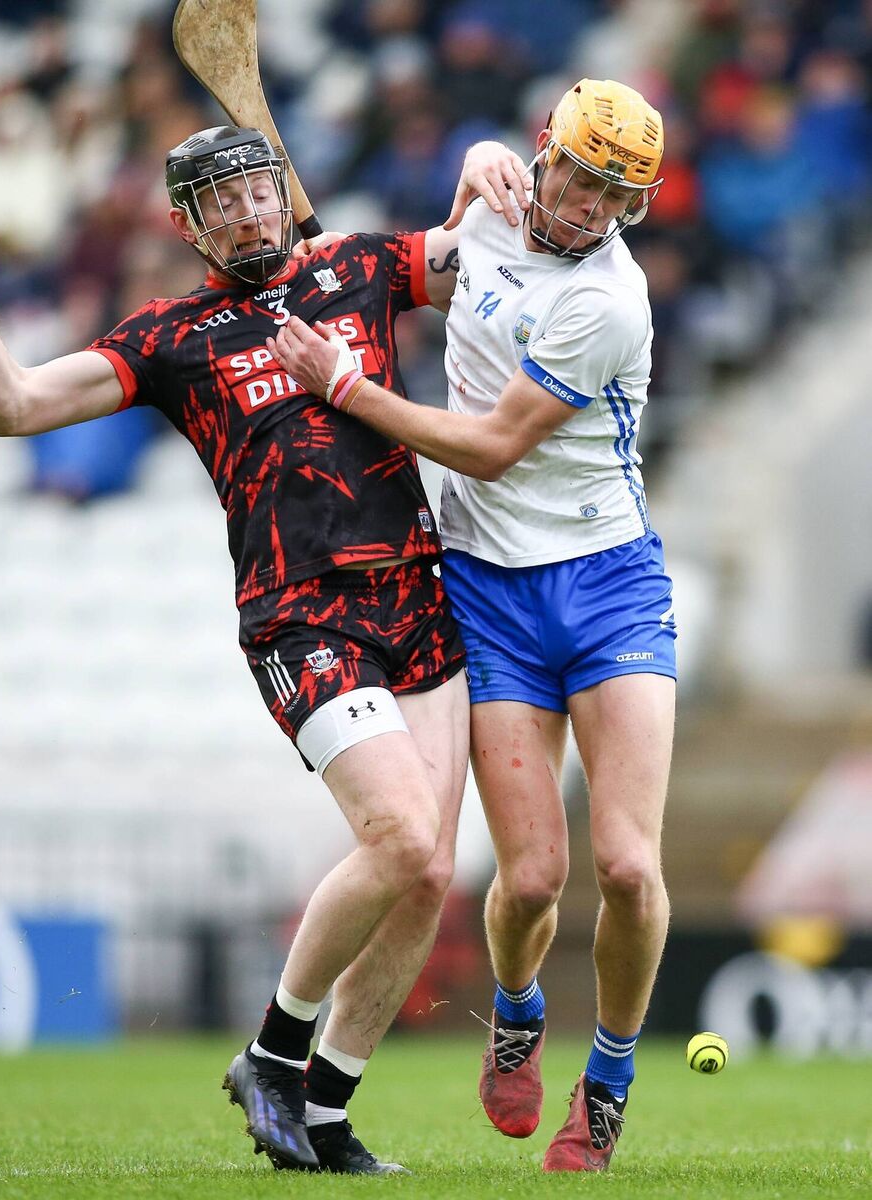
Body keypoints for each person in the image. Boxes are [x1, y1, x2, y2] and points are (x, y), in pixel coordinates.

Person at [0, 125, 529, 1175]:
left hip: (417, 600)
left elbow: (498, 249)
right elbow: (8, 407)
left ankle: (327, 1113)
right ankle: (270, 1053)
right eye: (223, 204)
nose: (247, 215)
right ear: (185, 225)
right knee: (398, 840)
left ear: (282, 193)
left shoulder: (359, 266)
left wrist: (480, 158)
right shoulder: (172, 337)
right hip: (302, 621)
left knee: (430, 874)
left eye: (258, 193)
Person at [269, 78, 675, 1173]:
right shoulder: (493, 198)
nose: (588, 208)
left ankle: (607, 1081)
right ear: (542, 156)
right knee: (531, 877)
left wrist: (347, 388)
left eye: (614, 194)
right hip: (487, 587)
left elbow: (492, 448)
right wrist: (474, 156)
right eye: (578, 177)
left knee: (628, 867)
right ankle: (514, 1007)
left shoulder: (609, 302)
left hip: (604, 583)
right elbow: (436, 250)